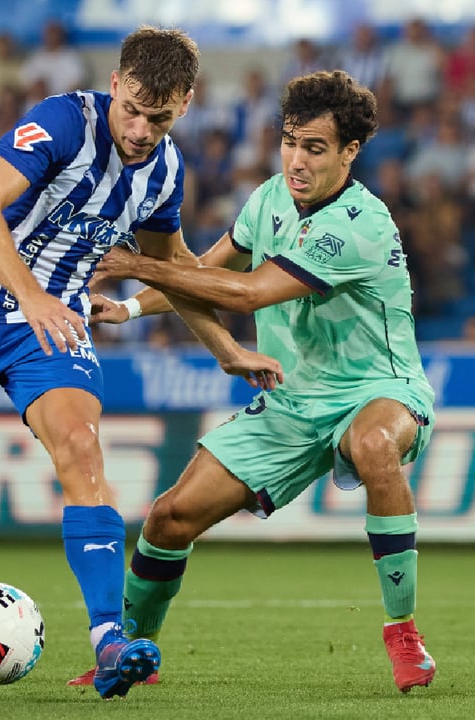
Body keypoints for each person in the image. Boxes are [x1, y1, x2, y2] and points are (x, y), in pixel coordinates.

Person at [0, 26, 281, 699]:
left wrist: (228, 348)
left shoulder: (164, 171)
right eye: (134, 110)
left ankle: (109, 640)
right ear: (117, 84)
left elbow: (176, 268)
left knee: (81, 448)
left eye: (161, 117)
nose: (143, 129)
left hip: (55, 325)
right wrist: (30, 295)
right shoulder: (63, 122)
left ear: (184, 104)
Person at [89, 70, 439, 694]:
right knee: (168, 519)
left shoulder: (360, 225)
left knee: (374, 445)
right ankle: (130, 656)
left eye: (315, 148)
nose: (296, 160)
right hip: (293, 398)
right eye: (289, 141)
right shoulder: (269, 199)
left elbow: (246, 294)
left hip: (380, 389)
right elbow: (204, 272)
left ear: (350, 152)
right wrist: (134, 307)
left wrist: (133, 263)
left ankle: (403, 632)